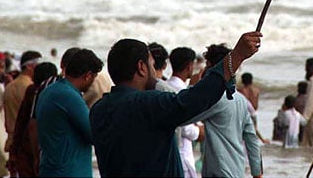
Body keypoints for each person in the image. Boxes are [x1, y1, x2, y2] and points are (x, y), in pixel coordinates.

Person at [90, 31, 261, 177]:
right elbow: (195, 100)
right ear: (141, 67)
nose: (154, 71)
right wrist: (237, 56)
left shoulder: (99, 109)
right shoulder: (147, 104)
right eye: (151, 64)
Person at [184, 44, 262, 178]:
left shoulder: (215, 98)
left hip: (219, 171)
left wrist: (192, 87)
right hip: (236, 170)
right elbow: (251, 138)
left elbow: (184, 116)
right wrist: (257, 173)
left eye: (208, 65)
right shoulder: (240, 100)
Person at [36, 49, 103, 177]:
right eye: (94, 77)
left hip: (49, 169)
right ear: (88, 75)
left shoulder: (48, 91)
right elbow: (94, 134)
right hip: (70, 171)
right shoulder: (69, 96)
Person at [10, 62, 57, 177]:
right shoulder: (45, 93)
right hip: (42, 149)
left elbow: (21, 121)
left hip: (26, 148)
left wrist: (14, 151)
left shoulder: (32, 90)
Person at [166, 47, 202, 178]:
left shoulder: (165, 86)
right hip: (182, 153)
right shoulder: (182, 92)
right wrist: (200, 132)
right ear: (189, 65)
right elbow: (186, 128)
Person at [4, 50, 41, 155]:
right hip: (26, 142)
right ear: (29, 66)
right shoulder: (30, 88)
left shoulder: (10, 86)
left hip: (12, 141)